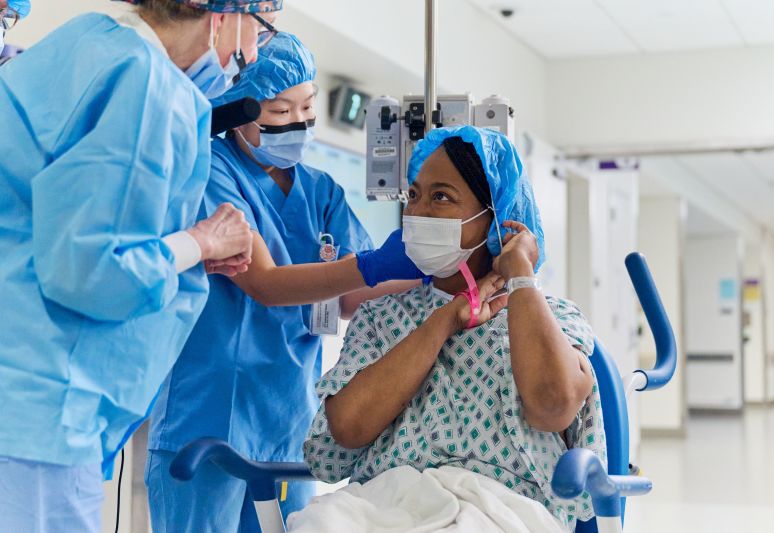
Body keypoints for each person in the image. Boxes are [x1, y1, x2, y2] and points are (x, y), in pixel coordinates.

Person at [0, 1, 285, 531]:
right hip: (39, 414)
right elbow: (90, 269)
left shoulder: (85, 42)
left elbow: (51, 227)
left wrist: (184, 256)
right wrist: (199, 242)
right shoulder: (147, 82)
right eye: (260, 30)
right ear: (221, 15)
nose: (250, 53)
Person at [145, 32, 422, 532]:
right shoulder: (211, 169)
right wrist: (374, 265)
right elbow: (265, 284)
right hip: (210, 413)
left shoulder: (321, 191)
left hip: (288, 419)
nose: (299, 121)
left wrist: (427, 273)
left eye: (308, 106)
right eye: (279, 110)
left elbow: (350, 298)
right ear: (240, 110)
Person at [302, 126, 607, 531]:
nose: (418, 212)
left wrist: (520, 274)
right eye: (413, 196)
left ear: (495, 219)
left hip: (501, 509)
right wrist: (443, 321)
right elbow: (347, 428)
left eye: (441, 197)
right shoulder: (379, 317)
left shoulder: (553, 316)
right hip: (386, 505)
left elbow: (552, 405)